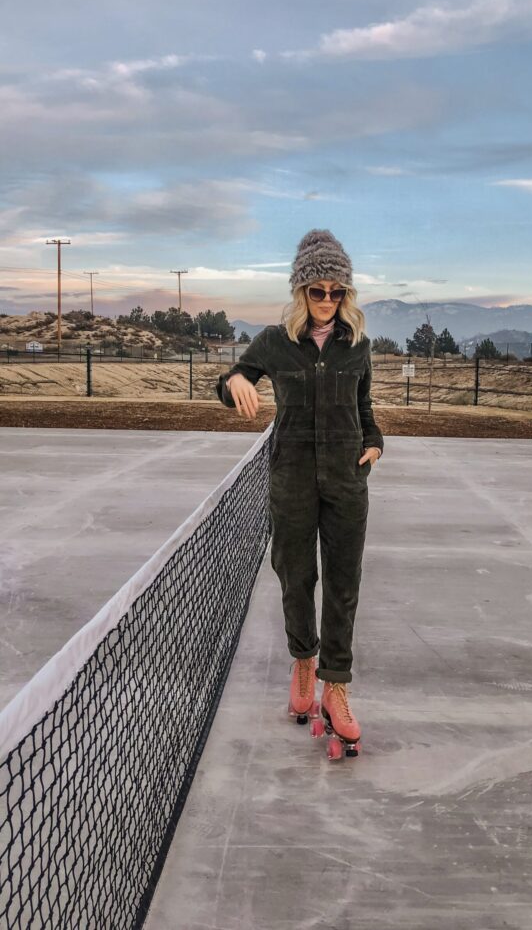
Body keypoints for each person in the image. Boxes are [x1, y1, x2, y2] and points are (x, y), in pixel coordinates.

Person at [216, 229, 384, 756]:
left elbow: (366, 412)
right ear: (301, 292)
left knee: (342, 582)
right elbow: (230, 381)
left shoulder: (357, 345)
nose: (328, 301)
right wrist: (236, 381)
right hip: (290, 478)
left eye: (337, 291)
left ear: (347, 295)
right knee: (295, 574)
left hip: (346, 482)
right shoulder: (273, 341)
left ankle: (336, 686)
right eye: (318, 291)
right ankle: (304, 662)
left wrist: (374, 445)